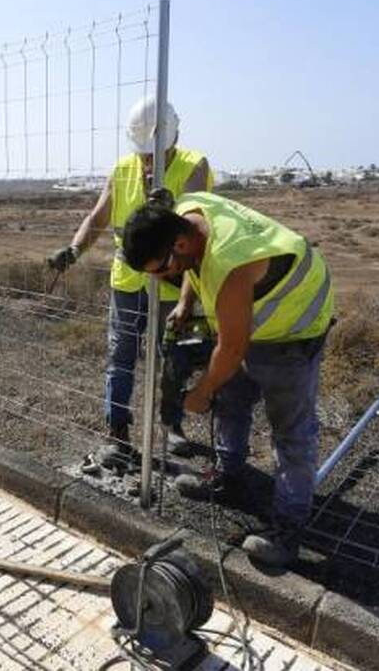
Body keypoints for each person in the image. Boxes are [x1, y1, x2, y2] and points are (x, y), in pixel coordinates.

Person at [122, 189, 334, 566]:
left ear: (180, 243)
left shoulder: (230, 267)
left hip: (293, 325)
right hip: (249, 308)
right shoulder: (189, 210)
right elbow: (191, 263)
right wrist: (186, 302)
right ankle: (227, 476)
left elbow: (233, 349)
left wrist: (201, 393)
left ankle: (288, 530)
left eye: (159, 270)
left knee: (290, 431)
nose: (162, 278)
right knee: (232, 396)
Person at [46, 95, 212, 472]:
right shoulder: (122, 169)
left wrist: (172, 208)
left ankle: (172, 425)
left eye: (153, 151)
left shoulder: (193, 166)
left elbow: (200, 220)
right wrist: (74, 250)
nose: (147, 158)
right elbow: (98, 215)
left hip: (171, 280)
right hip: (128, 282)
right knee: (120, 355)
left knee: (171, 353)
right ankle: (117, 430)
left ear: (174, 136)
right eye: (143, 152)